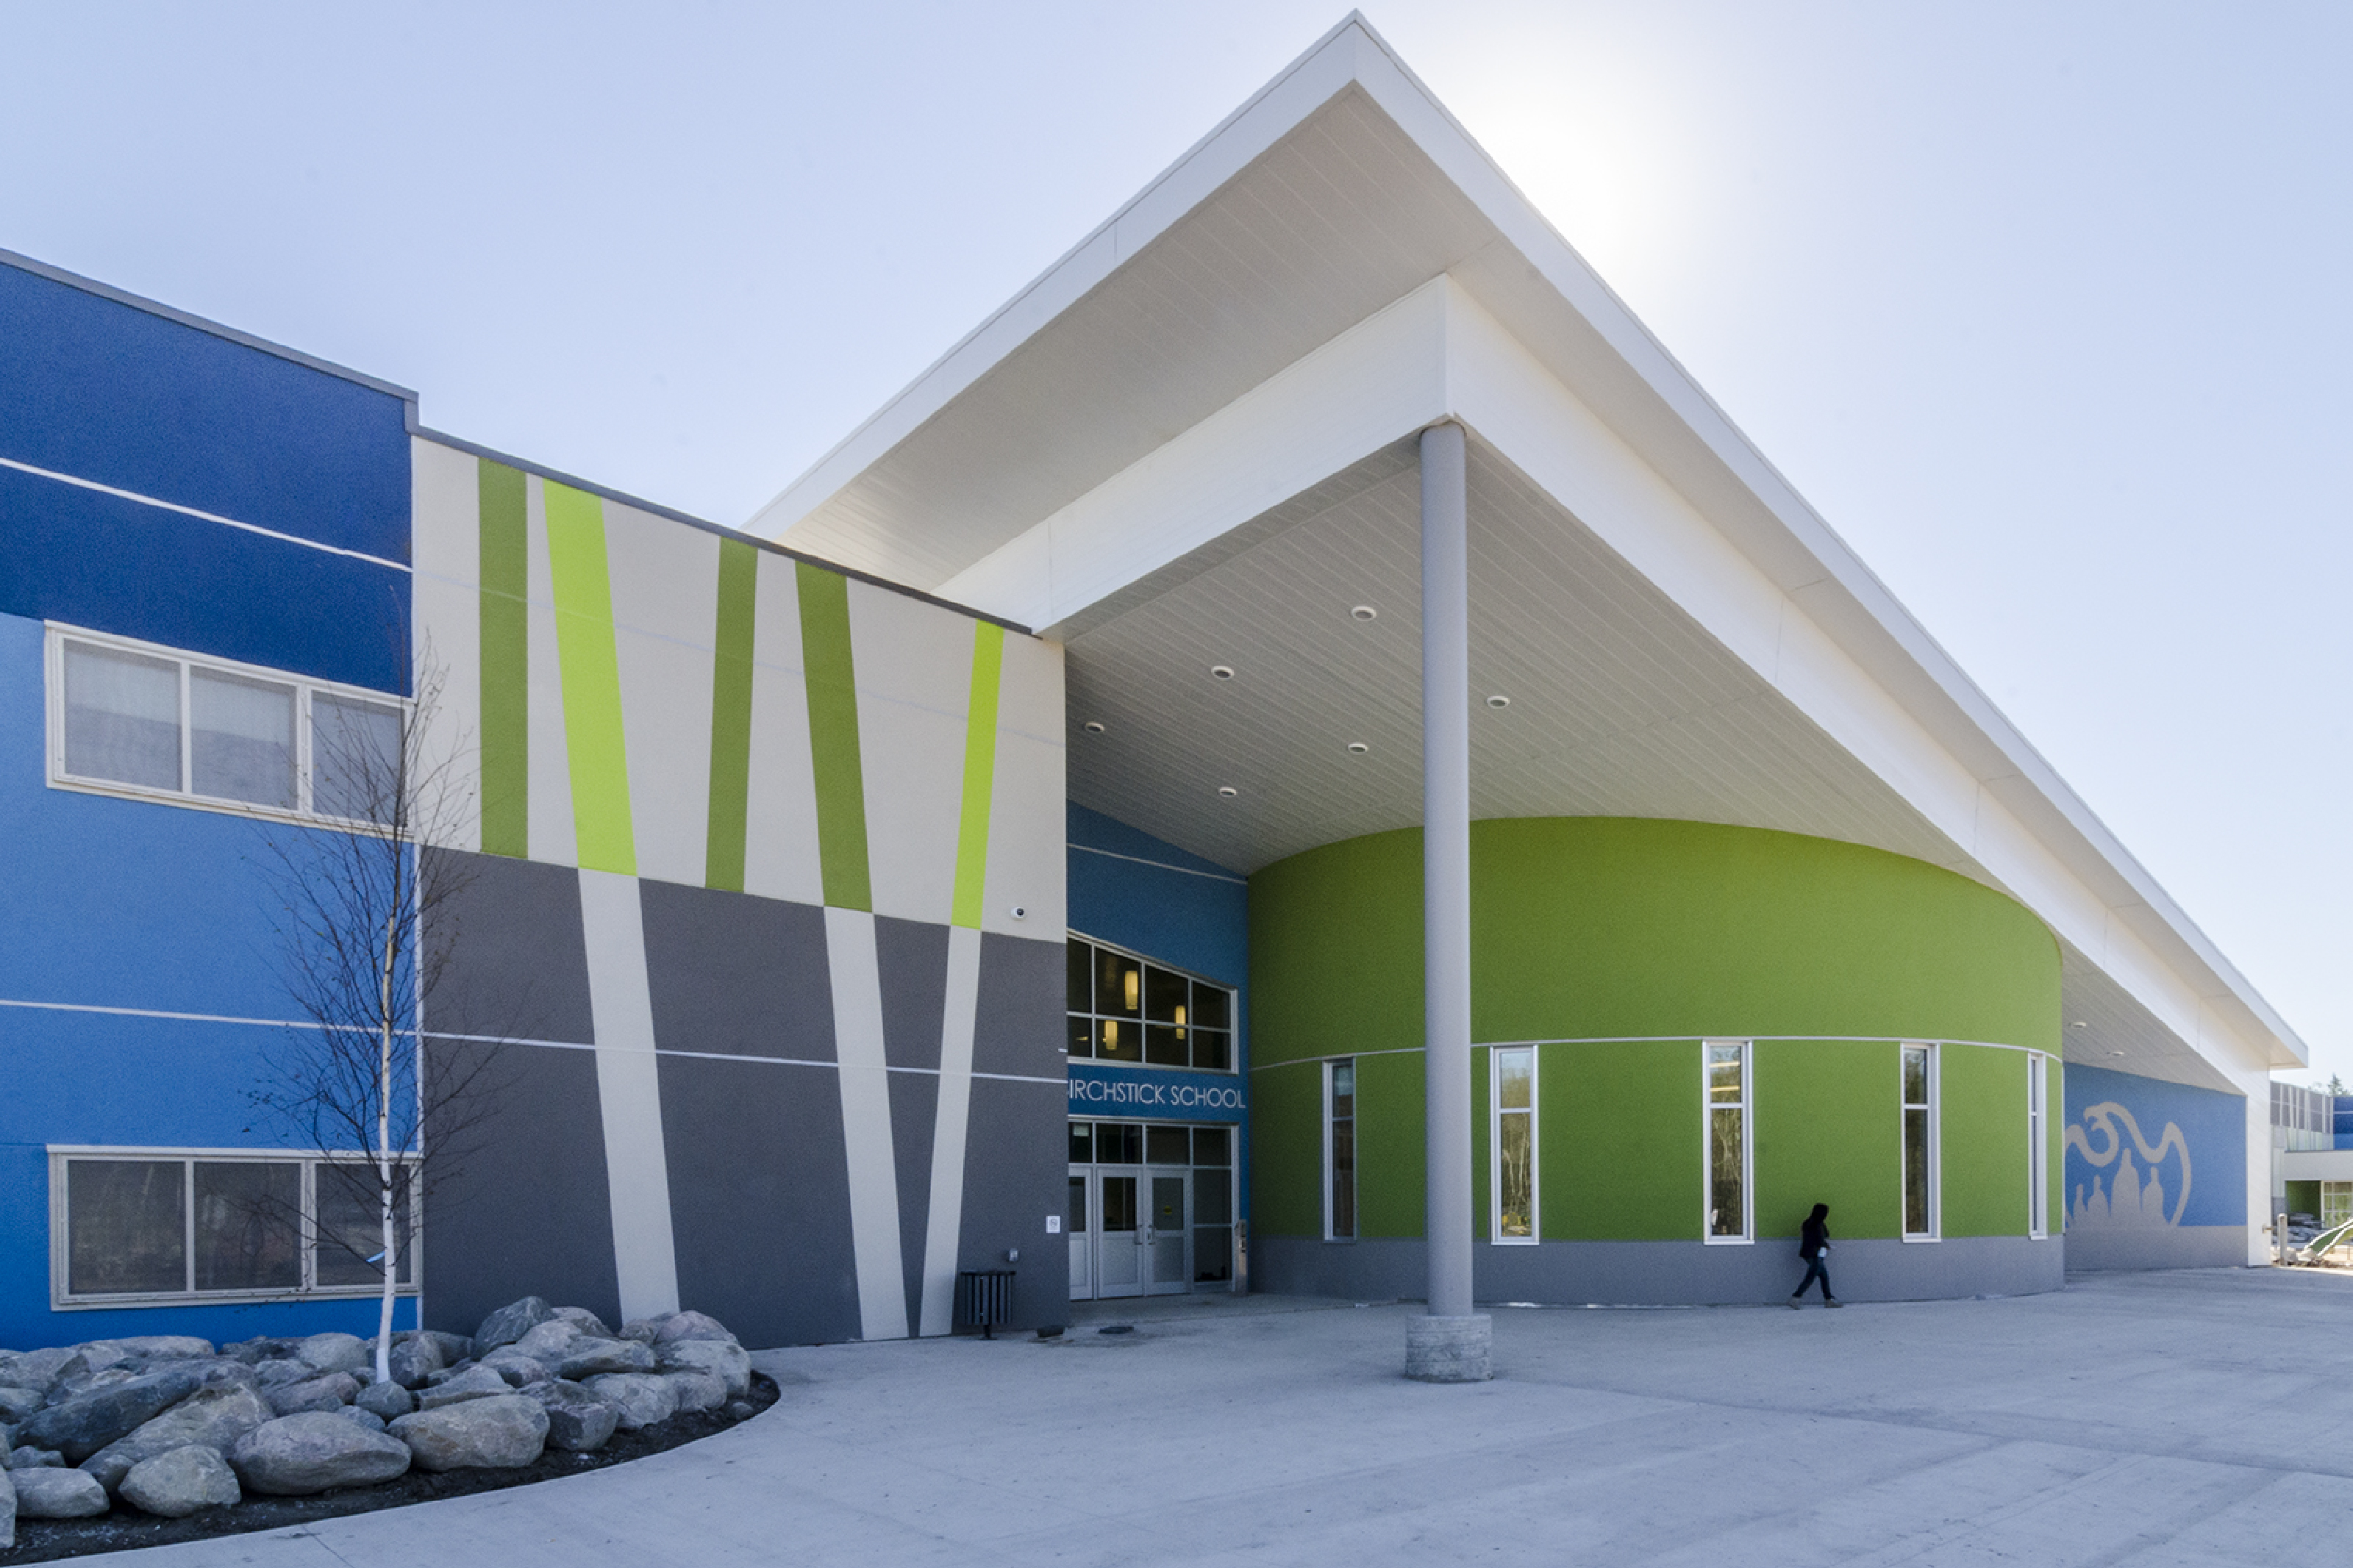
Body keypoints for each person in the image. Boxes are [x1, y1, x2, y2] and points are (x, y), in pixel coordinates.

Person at [1790, 1202, 1843, 1307]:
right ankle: (1796, 1297)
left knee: (1824, 1277)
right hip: (1816, 1255)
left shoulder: (1808, 1223)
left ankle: (1829, 1299)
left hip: (1808, 1254)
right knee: (1811, 1278)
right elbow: (1820, 1240)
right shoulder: (1818, 1224)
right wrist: (1828, 1246)